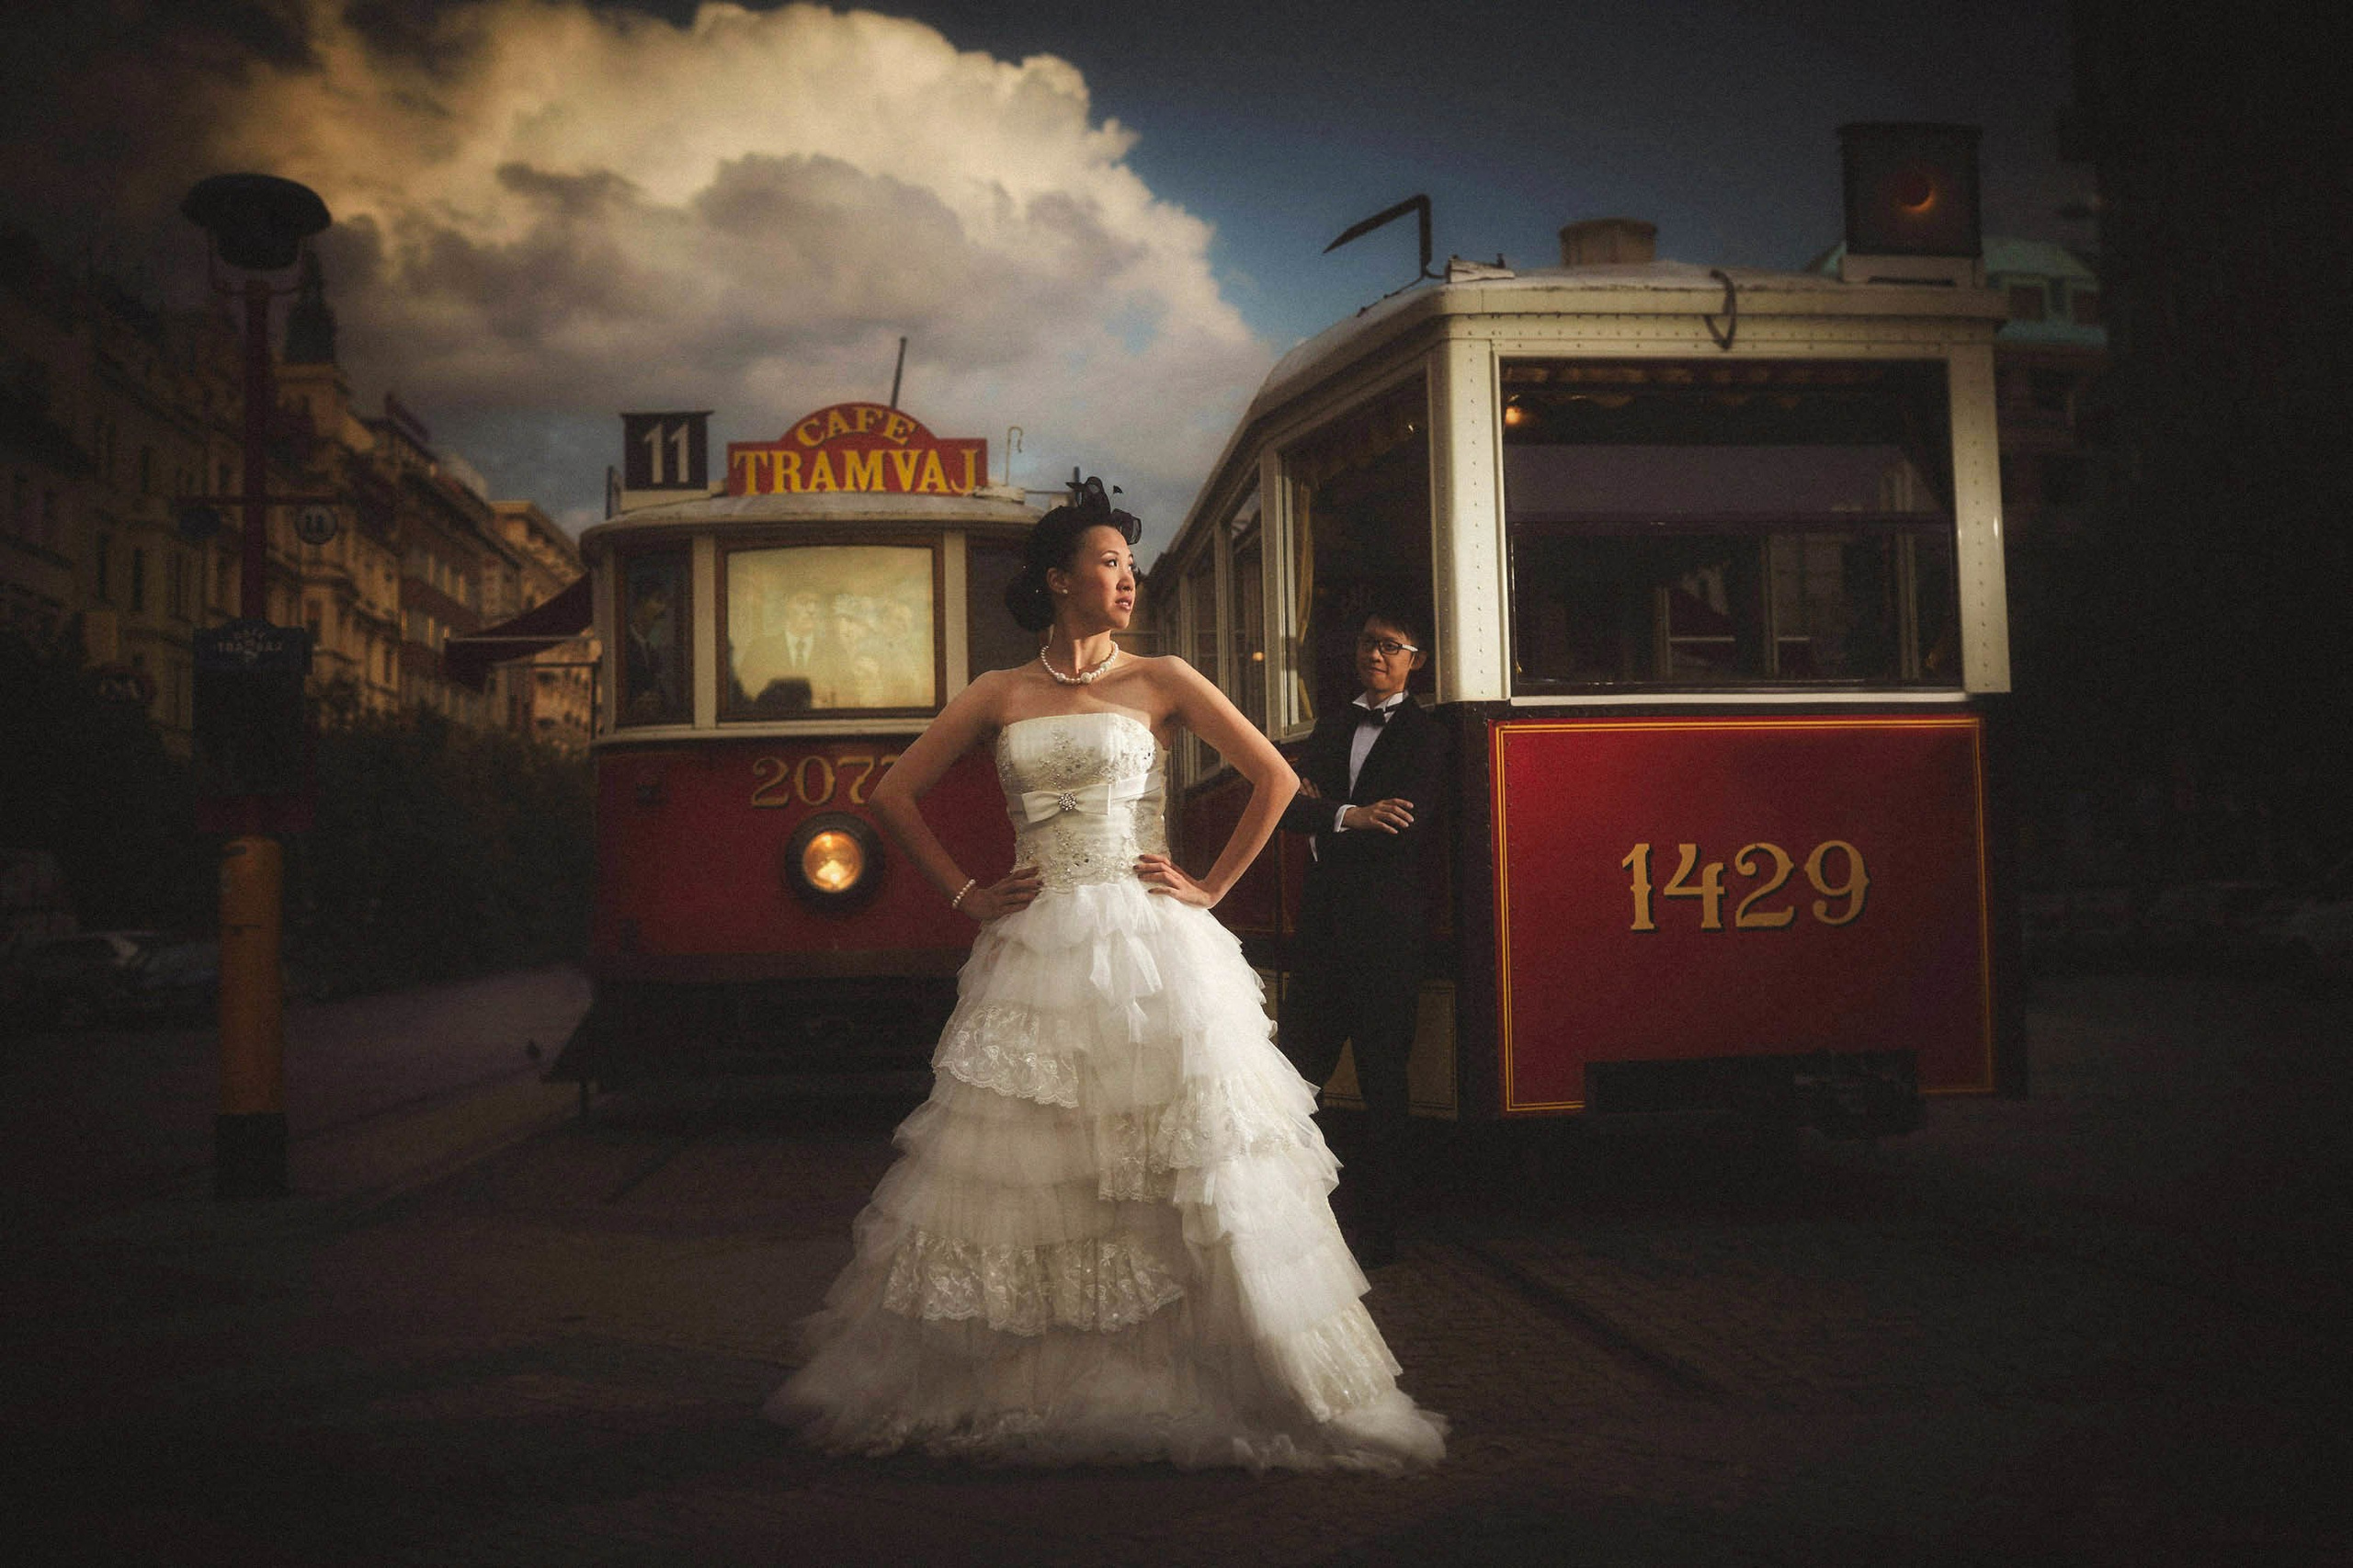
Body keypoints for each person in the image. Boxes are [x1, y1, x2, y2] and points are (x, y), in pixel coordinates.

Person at [766, 476, 1446, 1472]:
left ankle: (1209, 1373)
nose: (1127, 578)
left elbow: (1277, 779)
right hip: (1034, 944)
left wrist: (1210, 885)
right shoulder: (1000, 692)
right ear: (1057, 577)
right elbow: (892, 791)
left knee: (1177, 1160)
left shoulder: (1161, 675)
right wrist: (964, 894)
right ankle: (1039, 1379)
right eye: (1108, 561)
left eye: (1130, 564)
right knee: (1040, 1169)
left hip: (1149, 944)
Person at [1276, 609, 1446, 1269]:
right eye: (1367, 642)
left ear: (1415, 661)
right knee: (1292, 1075)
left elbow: (1406, 822)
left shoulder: (1426, 738)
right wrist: (1352, 815)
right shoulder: (1334, 724)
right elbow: (1290, 807)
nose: (1375, 655)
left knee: (1383, 1081)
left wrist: (1328, 816)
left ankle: (1383, 1232)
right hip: (1322, 932)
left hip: (1386, 936)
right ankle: (1288, 1214)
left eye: (1390, 646)